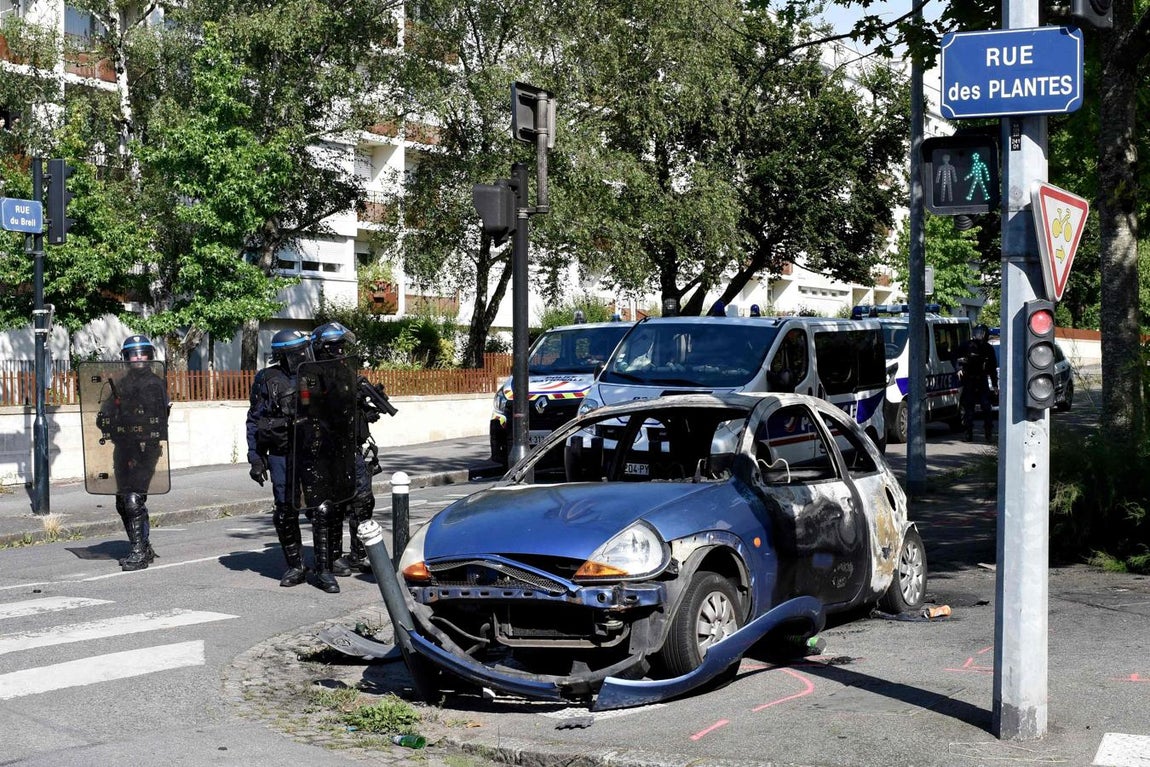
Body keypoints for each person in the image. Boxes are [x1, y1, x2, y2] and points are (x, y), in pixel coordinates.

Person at [300, 321, 384, 592]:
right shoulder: (311, 375)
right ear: (323, 348)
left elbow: (349, 411)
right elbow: (310, 410)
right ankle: (333, 557)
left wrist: (364, 412)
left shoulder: (346, 373)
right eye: (335, 346)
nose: (340, 351)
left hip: (352, 450)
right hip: (326, 452)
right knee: (332, 506)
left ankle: (358, 553)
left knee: (363, 500)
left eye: (342, 346)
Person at [97, 335, 170, 571]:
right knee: (122, 501)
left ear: (149, 356)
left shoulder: (155, 383)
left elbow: (158, 417)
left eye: (142, 353)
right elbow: (104, 415)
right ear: (126, 358)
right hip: (123, 446)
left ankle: (139, 553)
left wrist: (133, 418)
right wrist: (109, 419)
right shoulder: (120, 384)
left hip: (145, 447)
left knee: (133, 498)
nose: (138, 358)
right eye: (133, 354)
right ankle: (143, 545)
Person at [245, 329, 312, 587]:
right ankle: (296, 566)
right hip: (282, 454)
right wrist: (255, 457)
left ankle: (328, 563)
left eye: (303, 350)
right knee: (285, 511)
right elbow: (254, 419)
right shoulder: (267, 379)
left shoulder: (317, 373)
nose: (302, 356)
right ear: (283, 356)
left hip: (314, 453)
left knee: (323, 509)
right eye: (296, 353)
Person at [959, 324, 998, 442]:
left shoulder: (988, 348)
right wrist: (958, 368)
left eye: (981, 332)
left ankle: (988, 433)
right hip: (969, 379)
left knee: (986, 407)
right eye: (977, 332)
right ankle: (968, 432)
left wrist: (995, 385)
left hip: (982, 380)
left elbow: (992, 368)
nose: (978, 335)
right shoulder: (967, 345)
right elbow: (956, 356)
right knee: (968, 407)